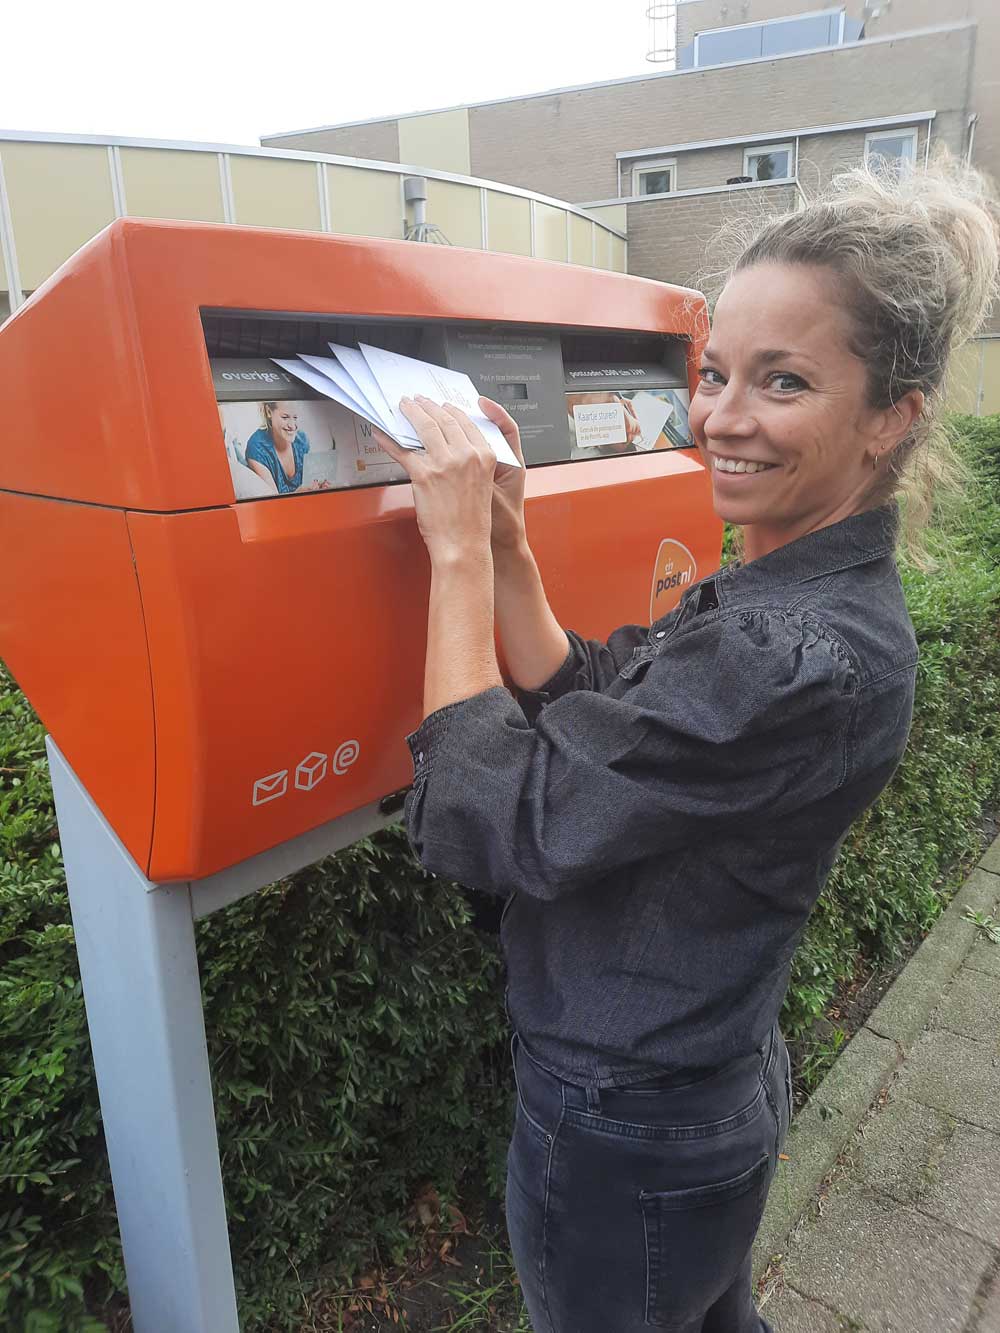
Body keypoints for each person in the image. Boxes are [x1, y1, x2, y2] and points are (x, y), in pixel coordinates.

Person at [375, 157, 999, 1333]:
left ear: (891, 419)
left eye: (783, 381)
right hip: (701, 1087)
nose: (720, 417)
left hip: (623, 1129)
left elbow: (492, 815)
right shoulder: (802, 600)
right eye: (715, 373)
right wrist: (505, 545)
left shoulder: (790, 651)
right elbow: (607, 712)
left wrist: (449, 553)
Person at [245, 401, 311, 494]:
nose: (292, 426)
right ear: (268, 412)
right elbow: (272, 500)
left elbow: (312, 480)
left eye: (295, 417)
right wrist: (298, 494)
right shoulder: (257, 448)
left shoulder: (302, 440)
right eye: (285, 417)